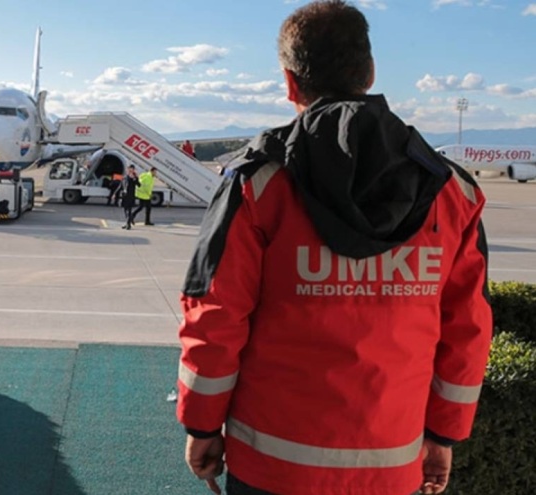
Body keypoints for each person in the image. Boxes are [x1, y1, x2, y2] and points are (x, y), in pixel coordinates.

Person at [176, 2, 492, 495]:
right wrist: (443, 434)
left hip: (270, 468)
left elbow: (215, 312)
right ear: (369, 72)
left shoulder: (259, 184)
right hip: (395, 466)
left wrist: (201, 425)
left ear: (289, 83)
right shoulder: (454, 192)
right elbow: (468, 329)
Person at [120, 165, 140, 229]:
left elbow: (139, 185)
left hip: (131, 196)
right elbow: (121, 185)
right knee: (125, 210)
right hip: (125, 196)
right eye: (129, 169)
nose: (130, 170)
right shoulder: (125, 177)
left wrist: (134, 179)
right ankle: (128, 222)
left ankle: (128, 225)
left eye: (131, 169)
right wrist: (114, 194)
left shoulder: (135, 177)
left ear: (133, 170)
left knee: (129, 210)